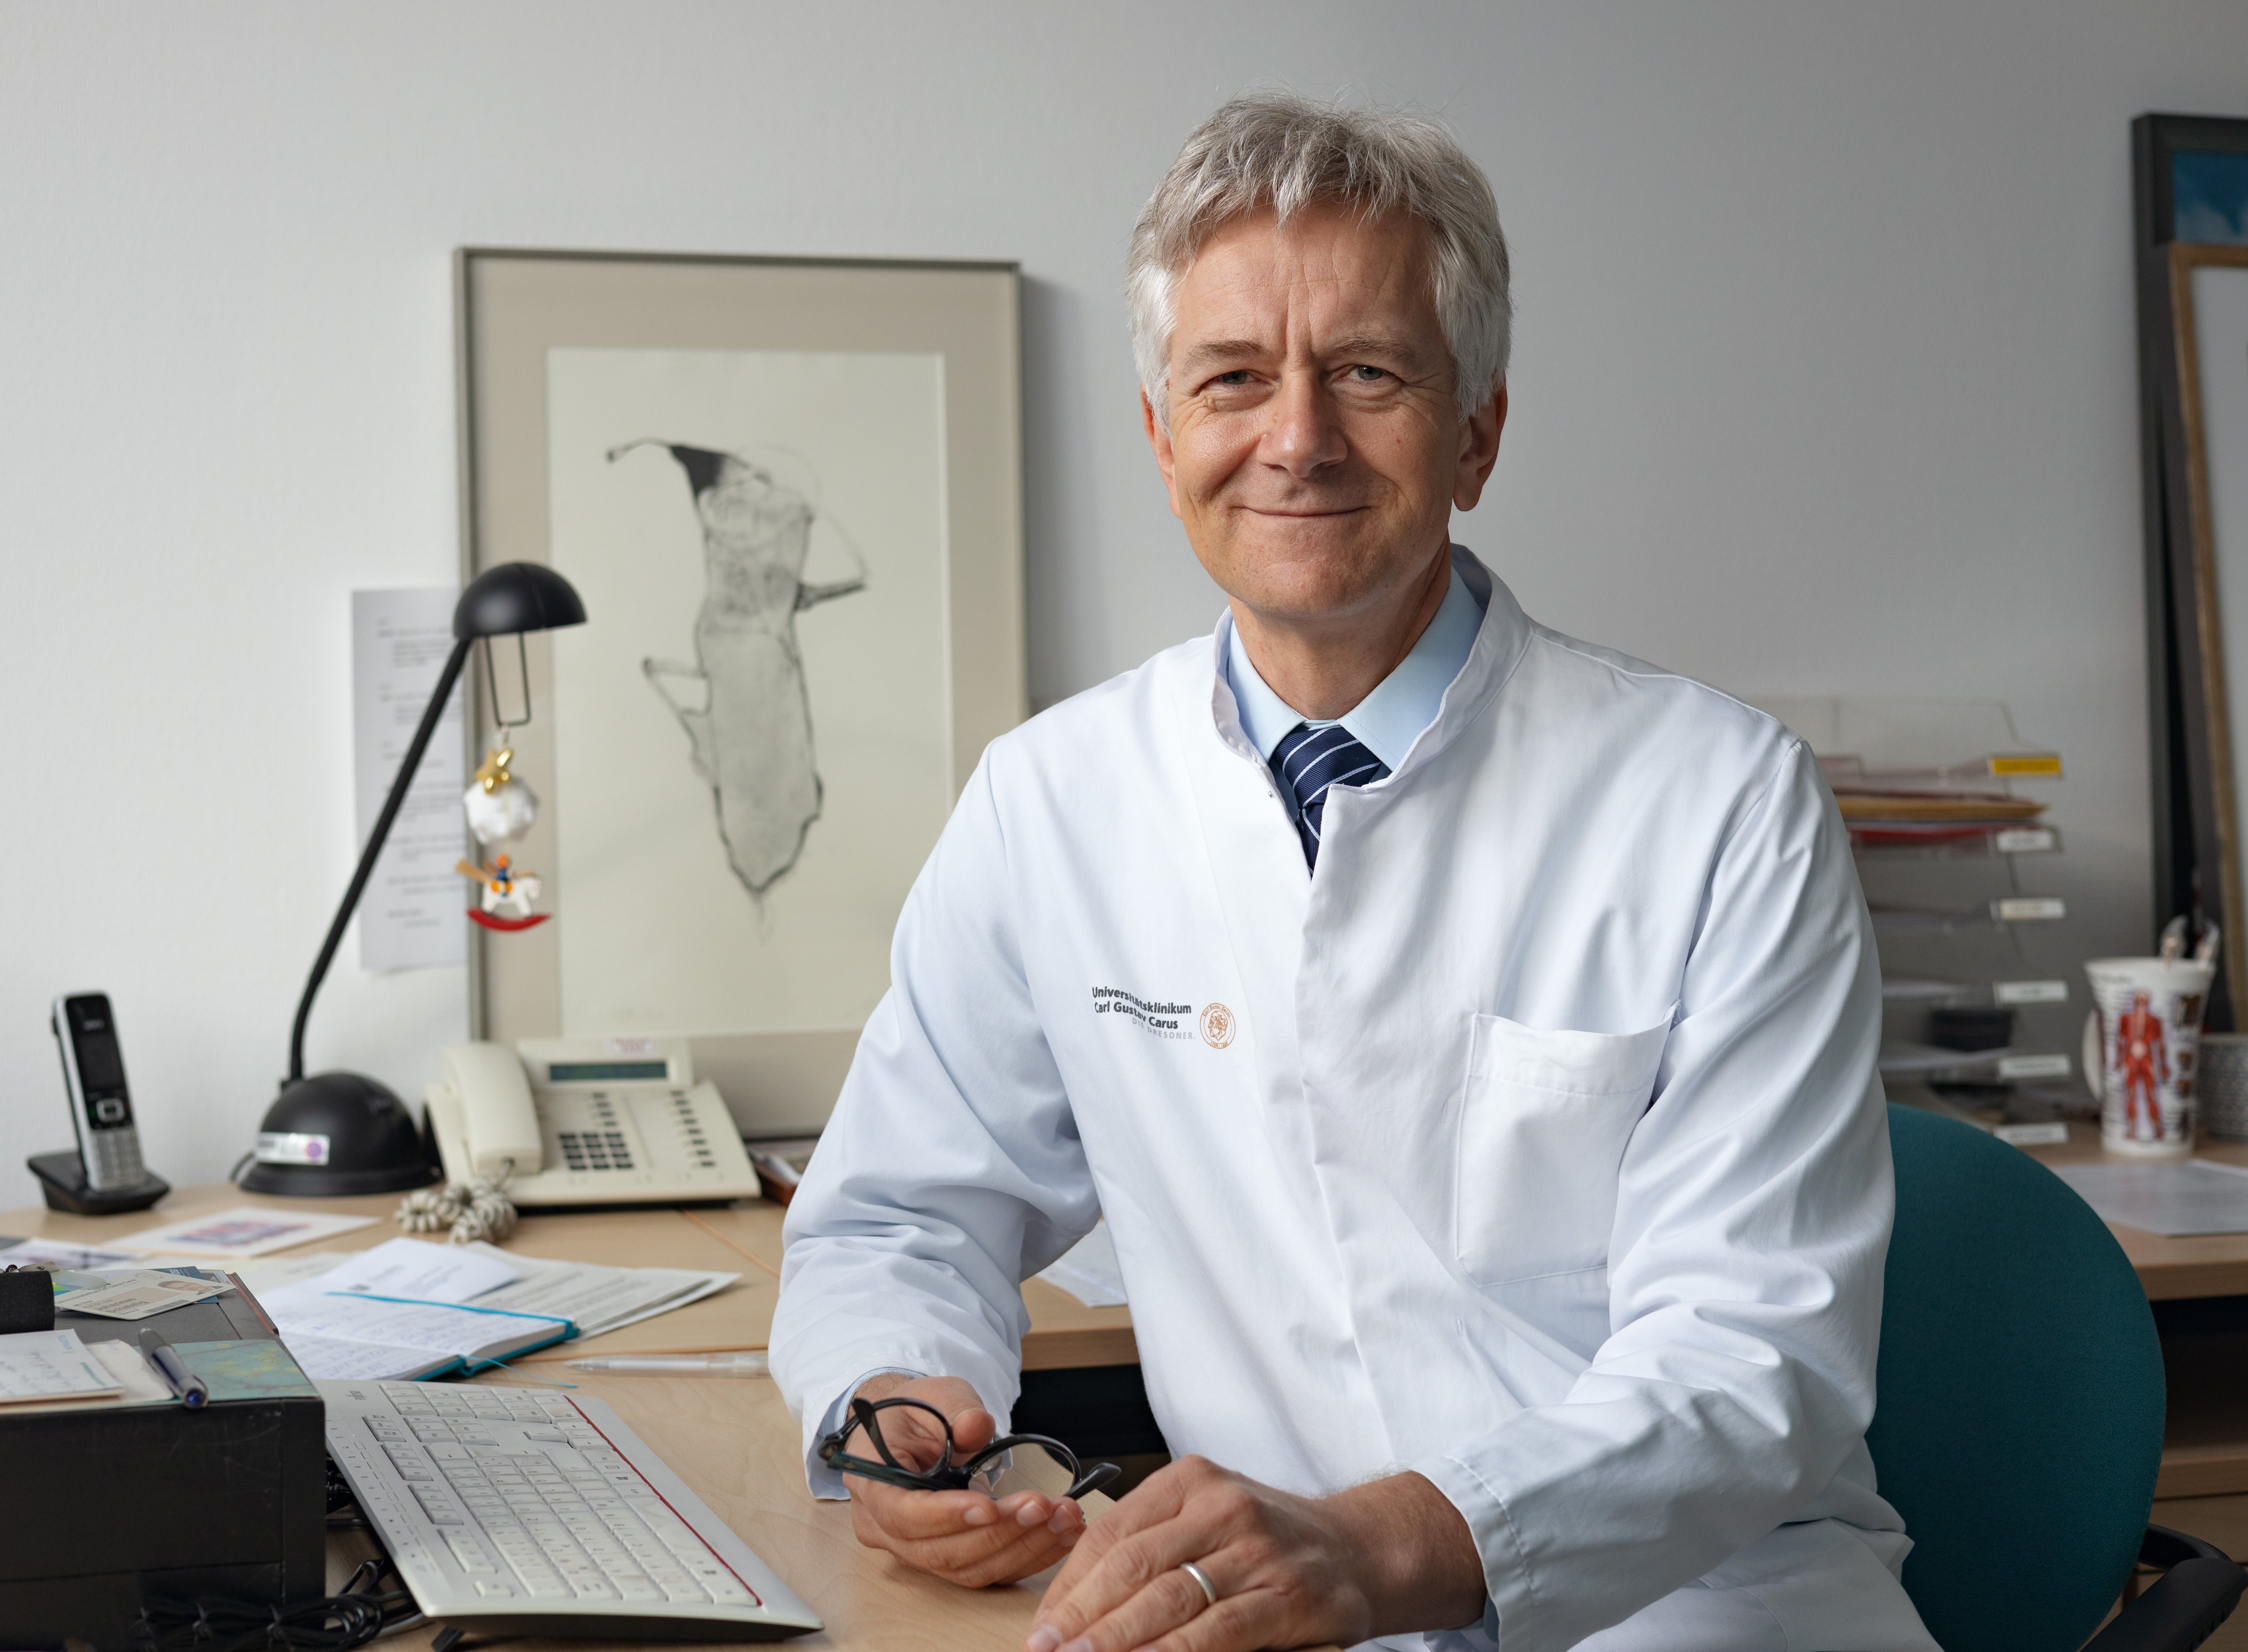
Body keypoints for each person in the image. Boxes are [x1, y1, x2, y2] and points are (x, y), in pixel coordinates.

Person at [768, 91, 1939, 1652]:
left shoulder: (1720, 800)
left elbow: (1752, 1357)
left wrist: (1389, 1545)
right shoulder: (1051, 800)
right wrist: (900, 1400)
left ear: (1479, 432)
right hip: (1264, 1610)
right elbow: (899, 1213)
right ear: (1163, 437)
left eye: (1369, 374)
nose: (1297, 439)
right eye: (1233, 379)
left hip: (1697, 1601)